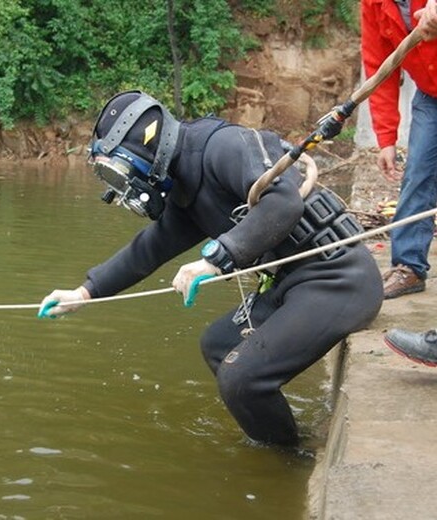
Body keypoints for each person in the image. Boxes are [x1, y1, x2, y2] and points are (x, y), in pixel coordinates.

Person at [39, 90, 383, 447]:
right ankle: (278, 429)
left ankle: (288, 457)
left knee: (241, 379)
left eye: (121, 174)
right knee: (218, 344)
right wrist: (85, 292)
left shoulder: (224, 147)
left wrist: (216, 258)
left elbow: (283, 203)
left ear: (146, 148)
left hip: (339, 278)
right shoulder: (185, 187)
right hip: (289, 283)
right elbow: (149, 249)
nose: (125, 189)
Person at [361, 0, 437, 299]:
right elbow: (381, 66)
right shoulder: (373, 4)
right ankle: (409, 267)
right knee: (418, 175)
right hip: (431, 96)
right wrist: (386, 138)